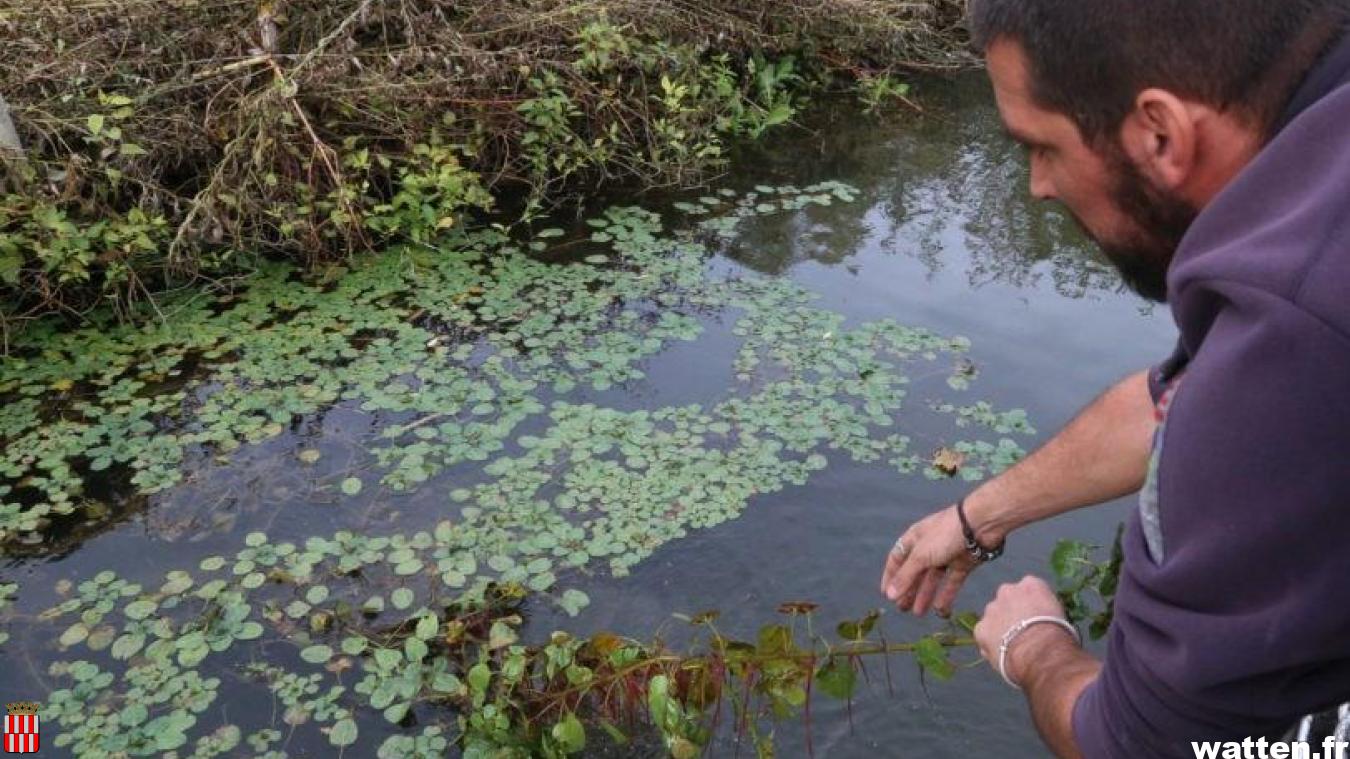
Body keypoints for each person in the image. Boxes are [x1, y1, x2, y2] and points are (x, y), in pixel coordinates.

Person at [878, 1, 1350, 756]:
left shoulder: (1295, 334)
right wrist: (979, 516)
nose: (1037, 184)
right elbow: (1185, 399)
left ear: (1159, 133)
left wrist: (1033, 646)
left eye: (1043, 146)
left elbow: (1138, 743)